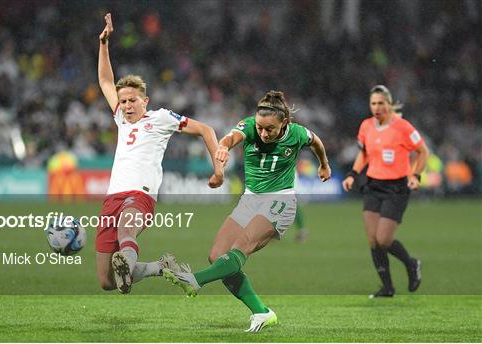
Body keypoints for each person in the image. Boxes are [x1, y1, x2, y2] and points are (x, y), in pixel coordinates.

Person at [163, 91, 331, 332]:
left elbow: (316, 142)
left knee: (239, 249)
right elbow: (231, 137)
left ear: (284, 123)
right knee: (217, 256)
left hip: (280, 200)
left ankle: (194, 280)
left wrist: (324, 164)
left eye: (269, 129)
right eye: (260, 127)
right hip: (250, 200)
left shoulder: (297, 133)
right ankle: (262, 312)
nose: (263, 133)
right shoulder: (251, 126)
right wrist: (222, 148)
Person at [96, 13, 224, 294]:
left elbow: (205, 129)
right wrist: (104, 44)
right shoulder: (119, 117)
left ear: (146, 101)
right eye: (124, 101)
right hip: (111, 197)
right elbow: (106, 81)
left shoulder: (161, 118)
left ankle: (127, 263)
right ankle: (159, 267)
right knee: (106, 282)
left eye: (133, 100)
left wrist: (218, 167)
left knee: (126, 231)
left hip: (140, 195)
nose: (127, 105)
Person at [342, 85, 429, 298]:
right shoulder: (366, 126)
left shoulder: (403, 127)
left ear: (389, 104)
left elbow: (422, 151)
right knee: (373, 240)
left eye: (381, 103)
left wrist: (415, 176)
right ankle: (387, 288)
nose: (377, 107)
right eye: (373, 103)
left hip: (396, 188)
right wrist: (353, 174)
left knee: (383, 239)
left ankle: (411, 264)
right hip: (373, 185)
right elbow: (364, 153)